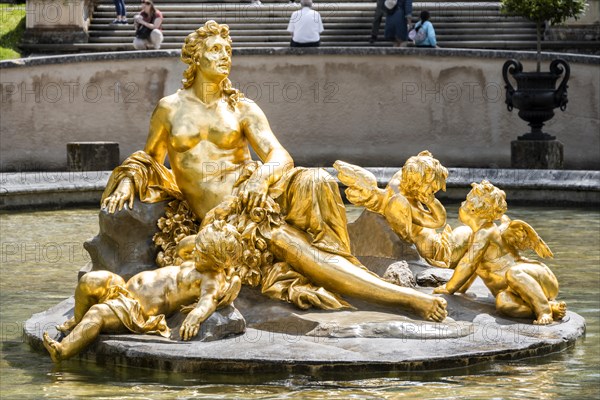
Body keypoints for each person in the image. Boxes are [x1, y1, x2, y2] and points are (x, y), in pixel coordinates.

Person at [102, 20, 447, 323]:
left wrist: (260, 177)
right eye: (215, 49)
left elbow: (279, 154)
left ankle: (355, 272)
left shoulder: (242, 108)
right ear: (195, 57)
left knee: (317, 180)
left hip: (257, 195)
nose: (225, 56)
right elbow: (149, 159)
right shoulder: (169, 109)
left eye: (228, 49)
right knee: (292, 247)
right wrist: (129, 179)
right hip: (223, 220)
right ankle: (406, 298)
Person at [42, 221, 243, 363]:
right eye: (199, 247)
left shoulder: (212, 278)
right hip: (122, 288)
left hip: (135, 310)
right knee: (89, 280)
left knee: (97, 314)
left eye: (203, 252)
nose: (196, 251)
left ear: (217, 262)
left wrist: (196, 317)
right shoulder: (197, 260)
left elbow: (209, 300)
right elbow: (182, 247)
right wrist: (206, 236)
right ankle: (78, 321)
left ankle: (63, 350)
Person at [433, 181, 567, 325]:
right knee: (503, 303)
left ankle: (544, 310)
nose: (461, 203)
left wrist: (449, 287)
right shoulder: (476, 234)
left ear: (473, 210)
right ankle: (548, 308)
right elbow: (476, 266)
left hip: (534, 278)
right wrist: (461, 288)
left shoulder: (486, 232)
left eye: (466, 202)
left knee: (513, 273)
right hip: (514, 291)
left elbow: (469, 263)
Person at [334, 151, 453, 268]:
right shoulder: (403, 204)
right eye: (432, 190)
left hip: (425, 234)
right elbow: (439, 221)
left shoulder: (401, 178)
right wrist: (431, 201)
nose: (432, 194)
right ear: (418, 184)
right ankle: (444, 253)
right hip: (426, 241)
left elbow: (418, 163)